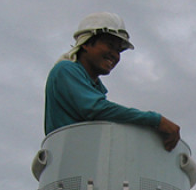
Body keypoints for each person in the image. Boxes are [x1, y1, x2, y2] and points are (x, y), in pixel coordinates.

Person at [44, 12, 181, 151]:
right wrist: (155, 120)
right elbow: (95, 109)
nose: (115, 55)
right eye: (110, 45)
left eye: (119, 51)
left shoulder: (96, 87)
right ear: (86, 43)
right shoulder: (66, 70)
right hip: (69, 158)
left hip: (84, 158)